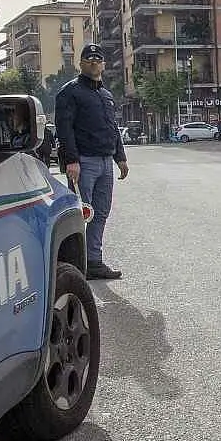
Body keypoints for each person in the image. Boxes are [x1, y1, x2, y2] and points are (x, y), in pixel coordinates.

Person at [55, 43, 129, 280]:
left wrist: (121, 157)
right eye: (89, 60)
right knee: (80, 214)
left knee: (101, 213)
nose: (94, 63)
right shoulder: (70, 92)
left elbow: (113, 128)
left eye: (98, 60)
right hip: (83, 163)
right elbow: (64, 129)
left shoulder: (106, 95)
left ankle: (93, 261)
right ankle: (74, 264)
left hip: (106, 162)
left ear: (103, 65)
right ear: (82, 63)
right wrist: (71, 161)